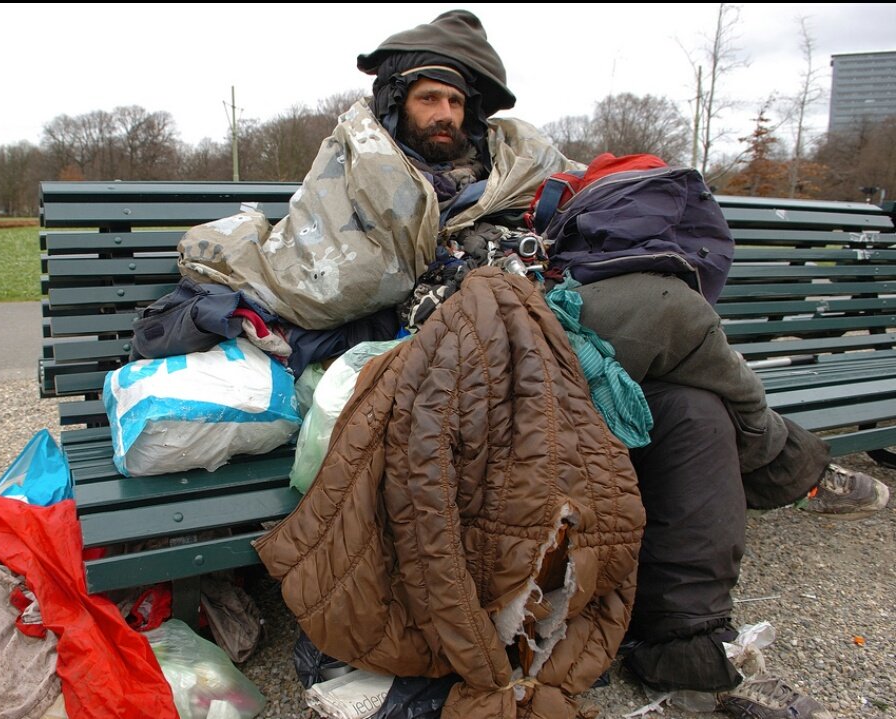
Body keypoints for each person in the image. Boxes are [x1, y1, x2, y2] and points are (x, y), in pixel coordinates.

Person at [180, 10, 889, 718]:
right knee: (673, 312)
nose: (446, 114)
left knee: (694, 413)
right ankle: (787, 464)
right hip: (444, 351)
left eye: (457, 101)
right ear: (396, 101)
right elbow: (320, 274)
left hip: (540, 329)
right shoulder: (356, 176)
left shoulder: (512, 171)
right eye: (430, 97)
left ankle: (684, 641)